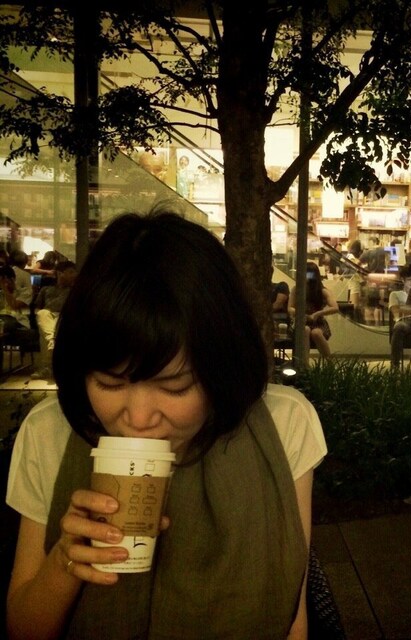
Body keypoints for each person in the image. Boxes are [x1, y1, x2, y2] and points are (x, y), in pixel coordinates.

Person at [5, 209, 327, 639]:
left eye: (175, 386)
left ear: (220, 368)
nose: (138, 419)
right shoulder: (50, 433)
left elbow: (291, 619)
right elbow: (23, 629)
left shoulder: (282, 426)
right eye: (109, 383)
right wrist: (67, 558)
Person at [30, 260, 78, 380]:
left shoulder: (75, 291)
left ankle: (48, 366)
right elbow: (37, 308)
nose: (74, 275)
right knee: (42, 314)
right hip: (48, 317)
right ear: (60, 273)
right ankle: (51, 342)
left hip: (65, 318)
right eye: (71, 272)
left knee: (47, 331)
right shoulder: (46, 289)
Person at [288, 261, 339, 364]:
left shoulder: (322, 291)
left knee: (316, 333)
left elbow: (335, 307)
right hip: (301, 321)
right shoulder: (296, 289)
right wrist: (300, 313)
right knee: (305, 330)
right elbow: (290, 308)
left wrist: (317, 314)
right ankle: (304, 365)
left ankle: (330, 363)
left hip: (318, 323)